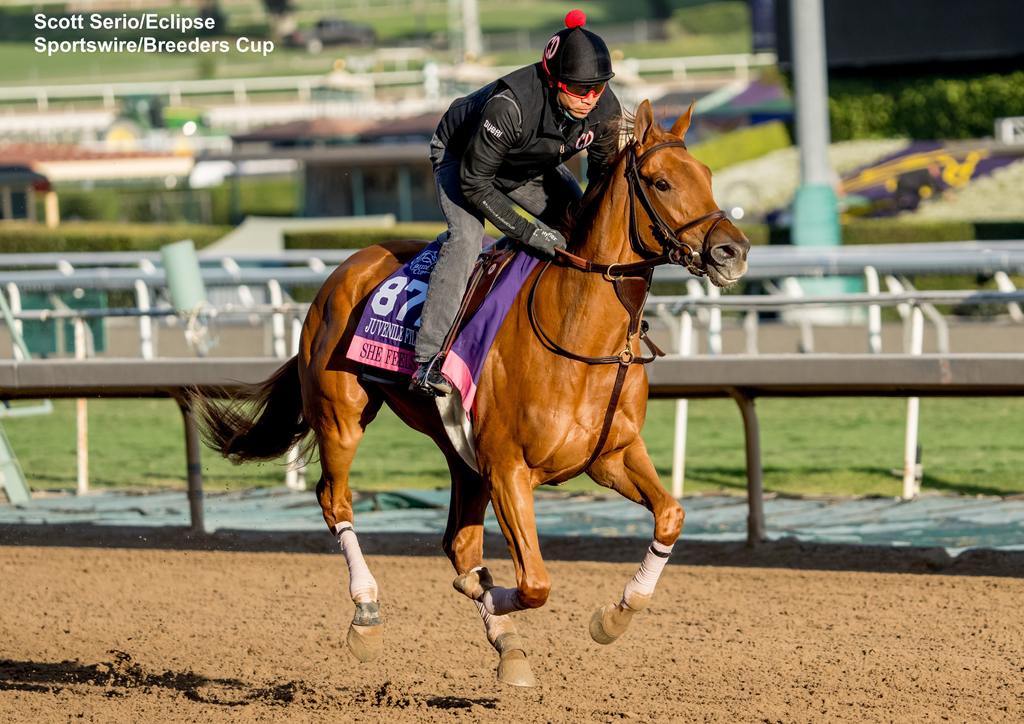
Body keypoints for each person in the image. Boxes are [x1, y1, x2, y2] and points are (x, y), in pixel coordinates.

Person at [410, 9, 622, 396]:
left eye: (598, 88)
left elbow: (603, 180)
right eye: (580, 90)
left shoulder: (605, 108)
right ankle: (426, 360)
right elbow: (475, 185)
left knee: (582, 226)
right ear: (554, 79)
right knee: (467, 239)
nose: (591, 99)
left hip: (527, 163)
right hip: (464, 161)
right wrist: (532, 233)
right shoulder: (508, 106)